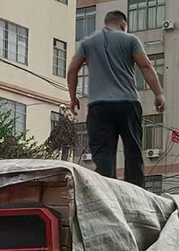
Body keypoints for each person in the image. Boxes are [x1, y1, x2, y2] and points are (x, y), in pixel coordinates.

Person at [66, 10, 165, 187]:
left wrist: (73, 98)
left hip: (99, 106)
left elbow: (72, 69)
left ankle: (107, 190)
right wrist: (158, 94)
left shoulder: (87, 42)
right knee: (133, 151)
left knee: (103, 154)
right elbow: (145, 66)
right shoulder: (130, 40)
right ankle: (135, 189)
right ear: (123, 25)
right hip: (128, 103)